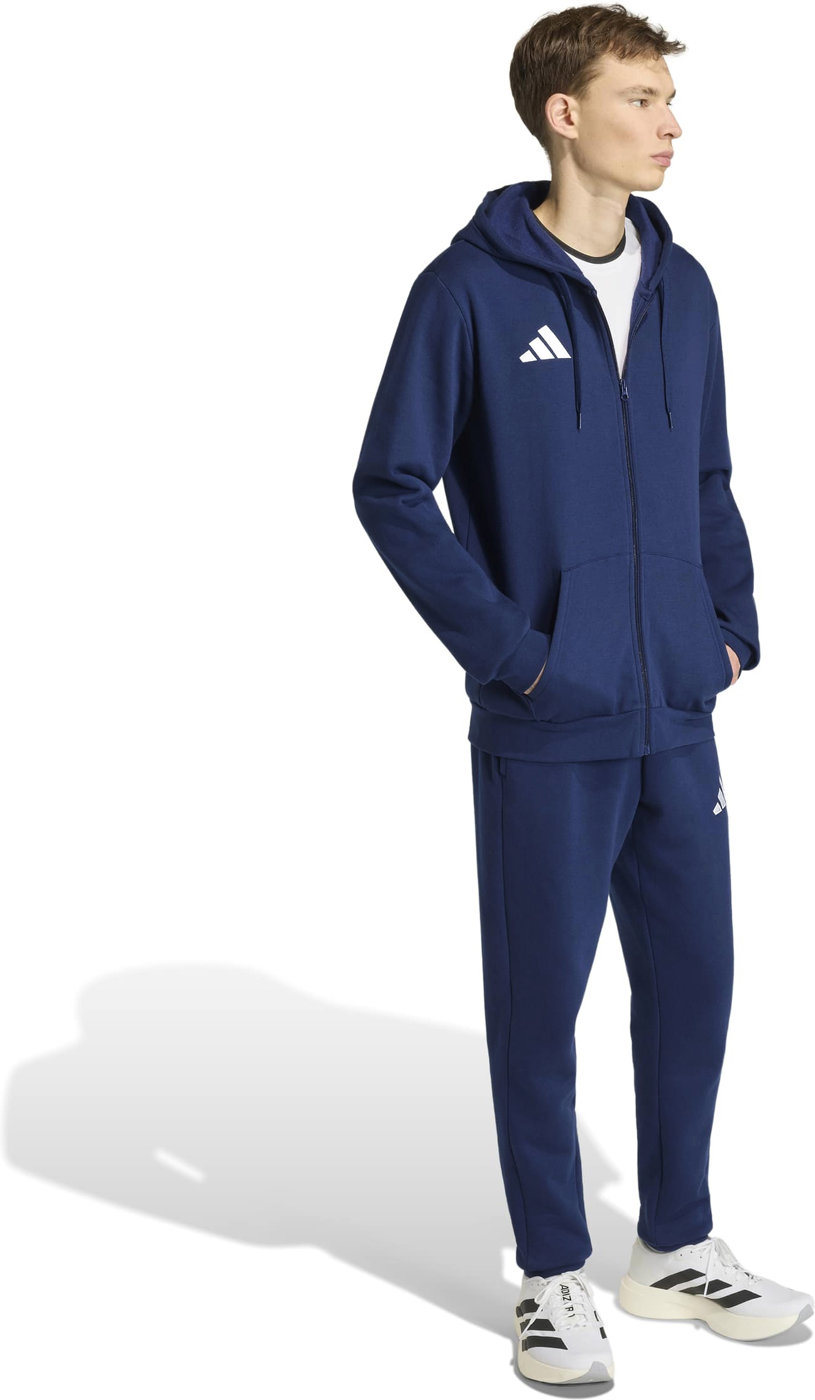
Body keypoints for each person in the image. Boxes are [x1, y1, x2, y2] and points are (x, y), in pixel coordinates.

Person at [352, 4, 812, 1385]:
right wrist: (518, 655)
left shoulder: (686, 283)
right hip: (550, 720)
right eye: (641, 98)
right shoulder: (467, 291)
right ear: (566, 114)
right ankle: (552, 1272)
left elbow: (709, 474)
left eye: (669, 99)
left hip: (679, 711)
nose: (670, 124)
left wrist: (729, 632)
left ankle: (673, 1245)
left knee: (696, 979)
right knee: (539, 996)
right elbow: (391, 486)